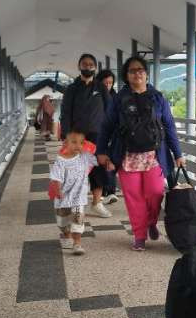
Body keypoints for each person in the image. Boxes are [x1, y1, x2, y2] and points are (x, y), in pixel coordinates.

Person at [97, 56, 185, 251]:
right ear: (126, 76)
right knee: (133, 197)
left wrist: (178, 154)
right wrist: (101, 151)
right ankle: (139, 235)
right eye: (132, 71)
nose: (137, 73)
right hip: (127, 156)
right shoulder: (118, 99)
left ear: (146, 74)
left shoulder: (158, 98)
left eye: (140, 70)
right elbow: (106, 126)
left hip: (154, 156)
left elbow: (169, 126)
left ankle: (151, 221)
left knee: (155, 192)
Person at [60, 53, 112, 218]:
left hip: (99, 135)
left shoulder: (101, 87)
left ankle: (97, 203)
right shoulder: (72, 88)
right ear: (79, 66)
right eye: (85, 64)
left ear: (95, 67)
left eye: (91, 64)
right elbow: (65, 112)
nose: (88, 66)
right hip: (78, 137)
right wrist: (67, 137)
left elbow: (110, 110)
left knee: (98, 169)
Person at [49, 126, 97, 256]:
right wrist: (58, 190)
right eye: (74, 142)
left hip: (78, 198)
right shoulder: (60, 161)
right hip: (63, 198)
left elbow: (97, 158)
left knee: (78, 219)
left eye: (81, 142)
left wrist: (108, 162)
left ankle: (77, 243)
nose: (78, 145)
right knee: (62, 222)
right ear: (65, 143)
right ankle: (66, 234)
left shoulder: (85, 157)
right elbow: (56, 178)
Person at [96, 69, 120, 205]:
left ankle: (110, 192)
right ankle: (105, 191)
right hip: (98, 134)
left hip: (113, 134)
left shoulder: (115, 97)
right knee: (101, 163)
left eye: (110, 83)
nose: (108, 86)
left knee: (109, 162)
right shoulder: (94, 96)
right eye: (105, 83)